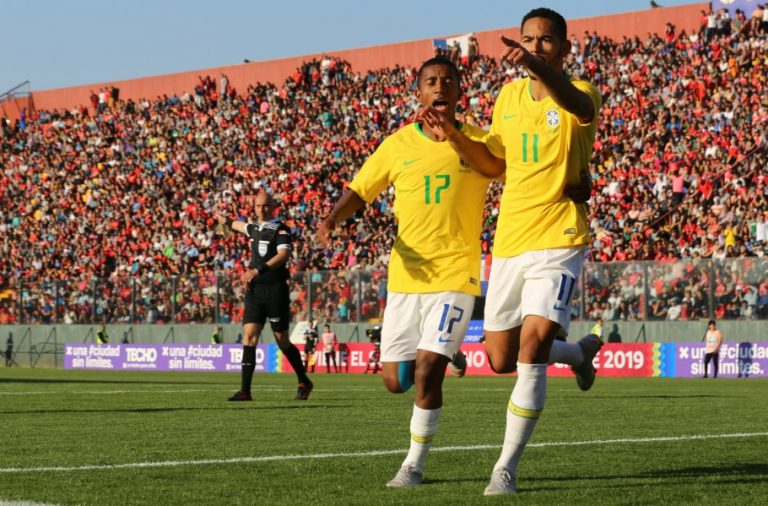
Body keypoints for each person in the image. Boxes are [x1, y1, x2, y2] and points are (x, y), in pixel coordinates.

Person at [318, 56, 591, 489]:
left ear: (459, 92)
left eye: (448, 81)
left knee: (428, 370)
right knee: (397, 381)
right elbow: (359, 190)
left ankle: (413, 465)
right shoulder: (396, 145)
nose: (439, 87)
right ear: (419, 92)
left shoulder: (480, 140)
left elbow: (521, 166)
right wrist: (333, 219)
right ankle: (573, 354)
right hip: (406, 279)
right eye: (431, 82)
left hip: (455, 276)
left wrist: (581, 177)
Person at [418, 8, 603, 495]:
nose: (535, 47)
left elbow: (569, 101)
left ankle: (506, 468)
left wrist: (541, 69)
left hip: (559, 237)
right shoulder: (507, 96)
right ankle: (579, 355)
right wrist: (452, 134)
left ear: (564, 46)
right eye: (528, 40)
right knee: (501, 358)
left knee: (533, 344)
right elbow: (495, 165)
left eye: (545, 41)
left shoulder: (581, 93)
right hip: (510, 241)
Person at [216, 191, 313, 401]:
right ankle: (245, 390)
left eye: (266, 206)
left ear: (273, 207)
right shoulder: (254, 228)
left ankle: (304, 380)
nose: (262, 209)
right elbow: (238, 225)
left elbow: (283, 255)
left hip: (275, 289)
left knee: (282, 340)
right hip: (254, 291)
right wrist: (224, 220)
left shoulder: (281, 229)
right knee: (249, 336)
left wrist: (258, 270)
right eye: (259, 206)